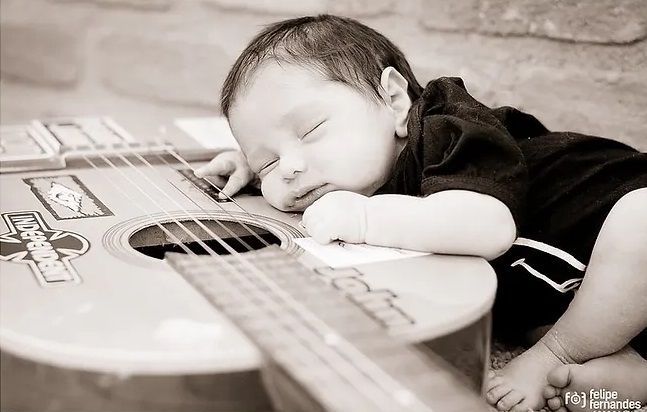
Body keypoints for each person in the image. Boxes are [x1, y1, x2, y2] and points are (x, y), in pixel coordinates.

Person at [194, 14, 647, 412]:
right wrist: (249, 170)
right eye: (269, 160)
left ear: (393, 101)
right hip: (598, 294)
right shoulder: (342, 170)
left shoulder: (445, 125)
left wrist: (364, 218)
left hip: (623, 230)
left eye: (310, 130)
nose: (290, 168)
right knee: (508, 303)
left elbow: (486, 225)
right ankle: (627, 370)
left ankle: (561, 353)